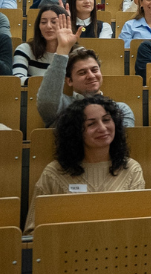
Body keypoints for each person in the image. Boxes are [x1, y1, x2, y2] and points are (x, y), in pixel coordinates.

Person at [25, 96, 144, 232]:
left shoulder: (131, 169)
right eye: (91, 124)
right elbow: (32, 232)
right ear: (76, 132)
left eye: (106, 120)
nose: (102, 128)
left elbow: (137, 230)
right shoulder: (53, 173)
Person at [37, 22, 136, 127]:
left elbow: (123, 142)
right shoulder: (62, 107)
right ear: (69, 80)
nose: (91, 76)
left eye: (94, 70)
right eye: (82, 72)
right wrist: (62, 50)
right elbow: (46, 104)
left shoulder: (120, 109)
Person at [13, 1, 64, 83]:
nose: (48, 26)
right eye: (43, 22)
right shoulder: (25, 49)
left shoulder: (77, 53)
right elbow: (17, 80)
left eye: (54, 22)